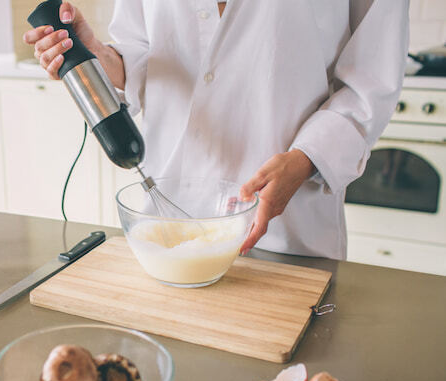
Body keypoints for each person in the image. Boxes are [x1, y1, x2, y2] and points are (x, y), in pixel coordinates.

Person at [24, 1, 409, 259]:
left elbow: (370, 82)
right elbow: (143, 56)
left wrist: (305, 160)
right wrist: (98, 54)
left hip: (286, 234)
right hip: (164, 231)